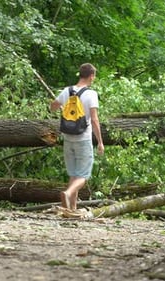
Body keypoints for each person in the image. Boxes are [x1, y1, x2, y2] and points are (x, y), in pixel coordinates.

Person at [49, 63, 104, 210]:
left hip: (68, 138)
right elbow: (94, 119)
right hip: (83, 139)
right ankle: (68, 193)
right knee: (83, 176)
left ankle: (71, 209)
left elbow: (52, 106)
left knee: (73, 174)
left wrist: (62, 107)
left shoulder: (67, 91)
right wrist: (100, 142)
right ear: (91, 76)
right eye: (94, 76)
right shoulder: (91, 94)